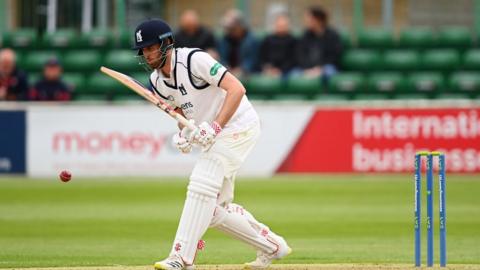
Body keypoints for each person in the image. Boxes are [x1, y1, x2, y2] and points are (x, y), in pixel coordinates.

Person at [132, 19, 291, 270]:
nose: (147, 54)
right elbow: (181, 114)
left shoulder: (194, 60)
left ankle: (181, 257)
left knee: (200, 184)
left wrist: (215, 126)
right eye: (144, 50)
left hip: (240, 126)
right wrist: (184, 133)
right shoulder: (157, 82)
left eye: (152, 47)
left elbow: (236, 89)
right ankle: (272, 246)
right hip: (215, 135)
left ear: (167, 43)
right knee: (212, 209)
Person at [296, 6, 342, 80]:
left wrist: (320, 68)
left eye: (309, 18)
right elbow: (301, 55)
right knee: (294, 74)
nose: (306, 21)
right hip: (308, 69)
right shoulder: (305, 35)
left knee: (329, 72)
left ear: (318, 20)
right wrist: (309, 69)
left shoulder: (333, 35)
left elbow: (334, 56)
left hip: (326, 67)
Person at [218, 9, 259, 77]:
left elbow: (253, 61)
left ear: (239, 26)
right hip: (228, 73)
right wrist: (226, 68)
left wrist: (242, 69)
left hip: (247, 75)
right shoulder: (225, 39)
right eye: (228, 28)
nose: (229, 31)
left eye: (232, 28)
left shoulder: (251, 40)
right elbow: (222, 58)